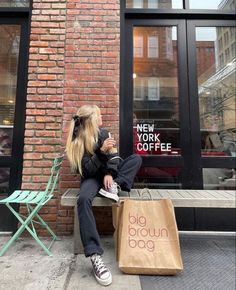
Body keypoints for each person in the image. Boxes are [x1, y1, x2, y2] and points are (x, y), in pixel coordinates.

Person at [66, 105, 142, 286]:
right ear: (91, 118)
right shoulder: (77, 140)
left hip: (108, 178)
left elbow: (115, 158)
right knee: (83, 199)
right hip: (91, 179)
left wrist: (109, 173)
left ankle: (114, 185)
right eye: (99, 114)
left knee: (136, 159)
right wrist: (100, 152)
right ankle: (94, 255)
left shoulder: (104, 133)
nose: (102, 117)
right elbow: (87, 170)